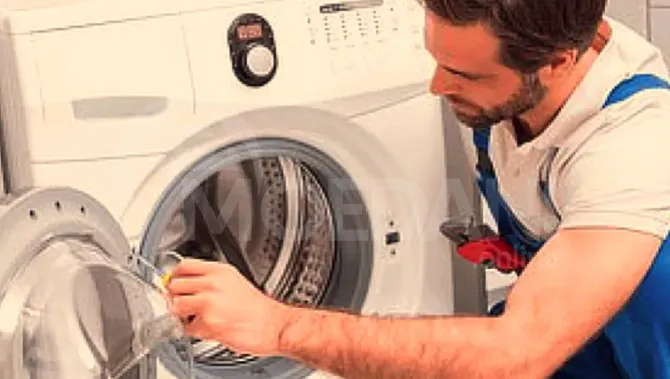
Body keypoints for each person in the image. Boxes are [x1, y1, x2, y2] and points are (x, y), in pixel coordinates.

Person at [165, 0, 670, 377]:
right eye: (437, 59)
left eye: (461, 74)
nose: (436, 86)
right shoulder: (524, 57)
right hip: (579, 343)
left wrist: (277, 327)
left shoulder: (635, 144)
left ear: (556, 63)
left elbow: (516, 354)